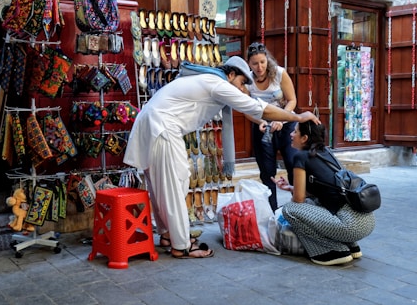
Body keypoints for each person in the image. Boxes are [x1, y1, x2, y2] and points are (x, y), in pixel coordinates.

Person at [123, 56, 320, 259]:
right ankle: (181, 245)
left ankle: (168, 236)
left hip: (153, 125)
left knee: (162, 187)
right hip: (161, 128)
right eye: (242, 83)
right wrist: (298, 117)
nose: (243, 89)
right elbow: (258, 108)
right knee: (174, 184)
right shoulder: (217, 84)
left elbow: (253, 109)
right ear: (231, 74)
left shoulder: (209, 80)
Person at [273, 121, 375, 266]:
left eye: (295, 132)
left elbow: (298, 199)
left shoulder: (300, 157)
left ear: (304, 138)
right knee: (313, 202)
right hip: (366, 222)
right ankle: (352, 246)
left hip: (350, 226)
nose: (291, 134)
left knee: (290, 210)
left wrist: (294, 192)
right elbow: (319, 191)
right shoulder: (326, 152)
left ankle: (334, 251)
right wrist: (290, 187)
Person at [245, 42, 297, 211]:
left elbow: (292, 100)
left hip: (286, 125)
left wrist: (281, 120)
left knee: (293, 164)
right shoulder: (247, 81)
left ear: (267, 60)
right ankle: (272, 213)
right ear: (249, 64)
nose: (259, 67)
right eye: (255, 63)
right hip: (262, 126)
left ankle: (300, 209)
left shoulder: (279, 74)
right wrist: (260, 122)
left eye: (262, 62)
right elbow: (246, 109)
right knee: (267, 172)